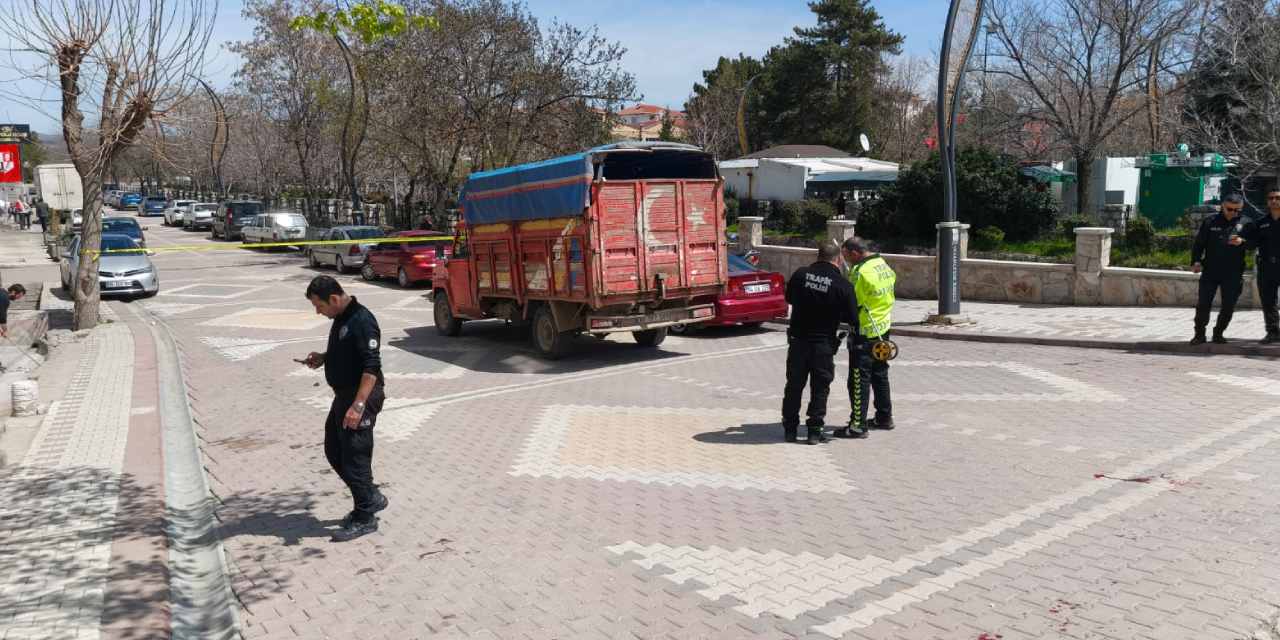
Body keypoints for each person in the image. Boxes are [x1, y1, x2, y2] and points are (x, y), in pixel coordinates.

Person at [300, 276, 390, 541]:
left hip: (361, 397)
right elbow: (348, 351)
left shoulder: (363, 320)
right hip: (344, 395)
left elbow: (371, 367)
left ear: (334, 299)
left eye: (319, 306)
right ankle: (370, 497)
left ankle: (365, 517)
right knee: (334, 449)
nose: (318, 312)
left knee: (355, 457)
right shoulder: (341, 317)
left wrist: (358, 406)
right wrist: (324, 358)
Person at [782, 240, 858, 444]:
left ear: (818, 256)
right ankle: (814, 432)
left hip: (798, 341)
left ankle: (790, 429)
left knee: (794, 386)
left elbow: (789, 298)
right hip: (823, 344)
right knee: (820, 388)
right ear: (838, 259)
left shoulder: (800, 274)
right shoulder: (843, 285)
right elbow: (853, 319)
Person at [836, 237, 897, 440]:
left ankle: (857, 426)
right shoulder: (882, 264)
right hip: (883, 329)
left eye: (846, 256)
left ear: (855, 253)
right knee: (880, 373)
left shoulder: (860, 272)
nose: (846, 259)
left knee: (858, 379)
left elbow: (852, 304)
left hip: (864, 333)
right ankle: (884, 417)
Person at [1191, 193, 1255, 344]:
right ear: (1222, 206)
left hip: (1233, 273)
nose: (1233, 213)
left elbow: (1254, 243)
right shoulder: (1210, 221)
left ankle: (1218, 333)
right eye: (1230, 209)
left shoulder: (1247, 223)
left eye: (1237, 210)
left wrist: (1242, 242)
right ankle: (1199, 334)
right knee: (1203, 304)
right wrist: (1196, 261)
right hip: (1210, 271)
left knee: (1228, 306)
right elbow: (1199, 244)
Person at [1256, 188, 1280, 344]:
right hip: (1266, 267)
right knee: (1268, 301)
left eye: (1277, 198)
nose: (1274, 201)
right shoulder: (1261, 223)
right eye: (1271, 198)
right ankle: (1272, 332)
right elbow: (1251, 241)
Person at [0, 284, 28, 373]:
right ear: (13, 292)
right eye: (19, 295)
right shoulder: (4, 298)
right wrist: (5, 331)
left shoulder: (2, 292)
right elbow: (2, 317)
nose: (18, 298)